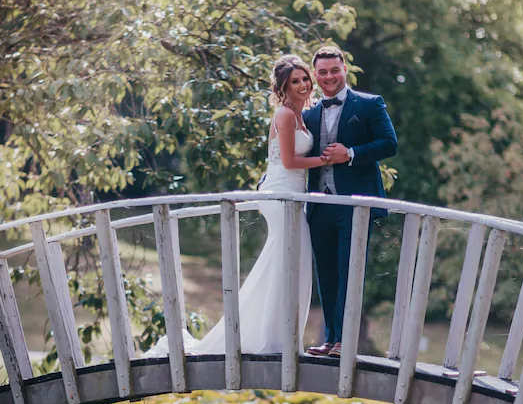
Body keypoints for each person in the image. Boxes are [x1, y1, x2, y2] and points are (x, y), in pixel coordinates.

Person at [147, 55, 331, 357]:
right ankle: (268, 341)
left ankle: (279, 336)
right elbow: (289, 161)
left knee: (292, 260)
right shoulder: (284, 115)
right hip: (279, 191)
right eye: (294, 81)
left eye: (304, 79)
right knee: (285, 258)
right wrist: (326, 159)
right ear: (283, 87)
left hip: (296, 196)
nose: (302, 85)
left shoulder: (302, 115)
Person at [303, 45, 398, 357]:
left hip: (356, 205)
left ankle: (345, 340)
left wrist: (351, 154)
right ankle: (330, 339)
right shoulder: (310, 112)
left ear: (344, 69)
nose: (329, 76)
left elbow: (389, 143)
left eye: (334, 70)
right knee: (326, 275)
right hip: (319, 205)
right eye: (322, 72)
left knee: (349, 272)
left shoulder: (369, 104)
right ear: (315, 76)